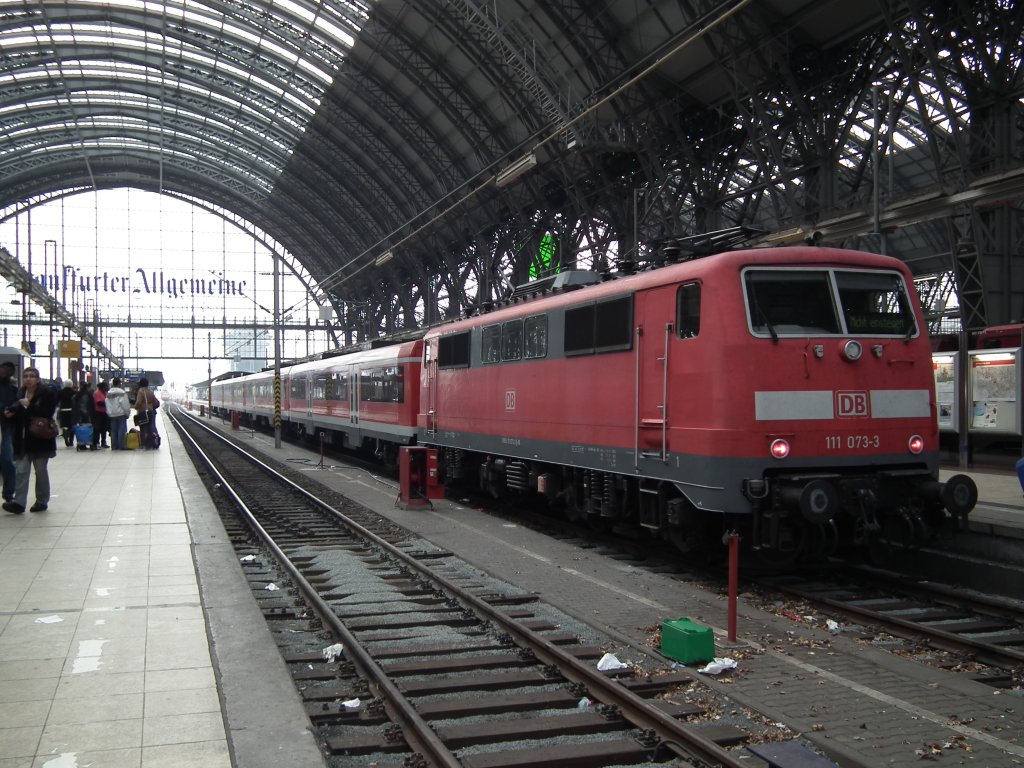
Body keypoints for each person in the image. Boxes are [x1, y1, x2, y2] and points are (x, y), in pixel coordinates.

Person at [3, 367, 58, 514]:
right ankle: (19, 503)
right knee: (21, 471)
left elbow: (48, 413)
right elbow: (19, 415)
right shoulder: (20, 393)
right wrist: (10, 415)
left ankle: (42, 500)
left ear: (38, 379)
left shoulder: (46, 393)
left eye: (32, 376)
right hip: (23, 439)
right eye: (26, 376)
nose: (28, 379)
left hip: (40, 438)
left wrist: (30, 406)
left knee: (40, 471)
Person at [0, 362, 19, 502]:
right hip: (5, 426)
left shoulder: (12, 389)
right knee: (7, 460)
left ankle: (8, 493)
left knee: (7, 460)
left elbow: (16, 405)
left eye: (9, 371)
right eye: (4, 370)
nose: (5, 373)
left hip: (5, 427)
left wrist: (12, 409)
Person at [133, 377, 160, 449]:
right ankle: (150, 443)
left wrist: (135, 407)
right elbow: (155, 402)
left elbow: (138, 402)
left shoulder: (141, 391)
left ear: (140, 384)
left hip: (143, 411)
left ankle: (143, 444)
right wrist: (150, 406)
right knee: (150, 427)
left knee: (143, 428)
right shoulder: (150, 391)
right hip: (150, 411)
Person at [106, 377, 131, 450]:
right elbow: (125, 404)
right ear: (120, 384)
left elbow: (107, 404)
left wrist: (109, 412)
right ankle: (121, 445)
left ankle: (114, 446)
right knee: (121, 430)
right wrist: (127, 413)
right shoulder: (122, 393)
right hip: (121, 414)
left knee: (113, 430)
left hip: (112, 414)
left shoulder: (108, 393)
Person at [73, 381, 95, 449]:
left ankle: (81, 443)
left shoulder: (78, 394)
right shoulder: (89, 394)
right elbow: (91, 404)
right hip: (87, 414)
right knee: (88, 428)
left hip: (80, 414)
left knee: (80, 429)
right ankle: (88, 441)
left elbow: (76, 404)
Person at [57, 380, 75, 447]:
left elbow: (57, 400)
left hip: (63, 410)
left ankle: (65, 436)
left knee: (64, 425)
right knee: (71, 426)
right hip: (72, 411)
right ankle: (71, 441)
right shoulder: (74, 392)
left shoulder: (60, 392)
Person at [92, 381, 109, 449]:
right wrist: (108, 404)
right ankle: (96, 442)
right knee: (97, 428)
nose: (107, 388)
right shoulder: (97, 393)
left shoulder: (104, 393)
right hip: (98, 413)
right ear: (102, 387)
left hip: (104, 412)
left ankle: (103, 442)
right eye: (106, 387)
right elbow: (99, 403)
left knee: (104, 428)